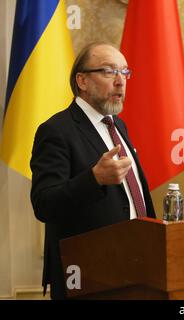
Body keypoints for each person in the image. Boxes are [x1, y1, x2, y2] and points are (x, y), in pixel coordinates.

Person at [30, 42, 155, 299]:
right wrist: (94, 179)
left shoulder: (118, 125)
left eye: (125, 72)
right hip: (87, 272)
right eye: (109, 72)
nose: (121, 81)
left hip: (134, 263)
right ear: (82, 80)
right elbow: (44, 203)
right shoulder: (57, 130)